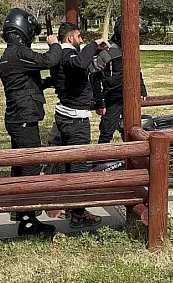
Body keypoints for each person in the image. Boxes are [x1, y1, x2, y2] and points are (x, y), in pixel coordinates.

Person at [0, 8, 62, 236]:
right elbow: (49, 59)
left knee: (20, 166)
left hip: (17, 118)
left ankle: (20, 212)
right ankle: (28, 223)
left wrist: (45, 84)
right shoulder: (18, 53)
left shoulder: (9, 55)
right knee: (30, 167)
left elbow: (23, 85)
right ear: (23, 30)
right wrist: (54, 44)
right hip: (24, 119)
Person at [43, 22, 108, 228]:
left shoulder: (57, 55)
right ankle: (78, 213)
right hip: (75, 119)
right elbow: (79, 63)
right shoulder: (67, 55)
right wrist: (94, 45)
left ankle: (64, 205)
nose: (81, 41)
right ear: (70, 38)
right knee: (78, 166)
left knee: (65, 162)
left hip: (63, 114)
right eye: (80, 37)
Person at [92, 17, 149, 144]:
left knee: (131, 129)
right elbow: (95, 77)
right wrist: (99, 102)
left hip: (129, 95)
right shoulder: (107, 50)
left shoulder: (130, 50)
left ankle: (131, 159)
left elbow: (136, 70)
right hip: (112, 97)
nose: (137, 40)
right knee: (107, 131)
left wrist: (142, 88)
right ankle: (100, 159)